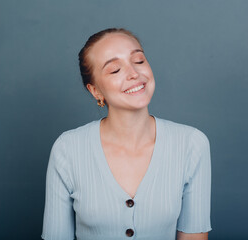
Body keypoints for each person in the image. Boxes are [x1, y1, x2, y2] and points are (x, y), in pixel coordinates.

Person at [41, 28, 212, 240]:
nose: (134, 73)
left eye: (139, 61)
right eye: (115, 70)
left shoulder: (192, 144)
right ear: (96, 91)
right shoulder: (67, 149)